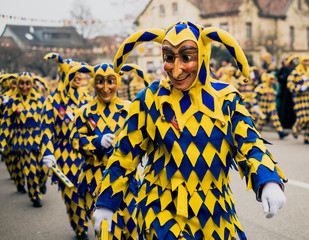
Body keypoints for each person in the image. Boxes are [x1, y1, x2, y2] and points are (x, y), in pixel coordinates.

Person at [93, 21, 286, 240]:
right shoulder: (150, 99)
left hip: (215, 213)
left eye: (186, 57)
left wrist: (268, 179)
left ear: (202, 56)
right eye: (168, 58)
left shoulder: (226, 99)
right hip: (161, 212)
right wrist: (106, 202)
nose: (176, 69)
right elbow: (125, 154)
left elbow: (249, 143)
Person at [70, 63, 144, 239]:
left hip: (128, 179)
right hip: (95, 181)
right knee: (107, 234)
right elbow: (75, 141)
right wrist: (97, 142)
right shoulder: (84, 112)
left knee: (134, 231)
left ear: (117, 81)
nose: (105, 88)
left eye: (110, 81)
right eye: (100, 82)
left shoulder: (129, 109)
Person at [40, 53, 91, 240]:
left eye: (80, 73)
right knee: (72, 195)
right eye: (73, 72)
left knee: (91, 192)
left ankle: (97, 224)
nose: (78, 76)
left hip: (88, 153)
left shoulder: (88, 98)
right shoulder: (52, 100)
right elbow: (46, 129)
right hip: (64, 155)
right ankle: (80, 229)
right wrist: (47, 152)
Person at [0, 72, 45, 207]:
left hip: (39, 140)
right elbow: (6, 123)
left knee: (44, 169)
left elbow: (47, 121)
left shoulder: (40, 100)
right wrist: (2, 142)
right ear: (17, 84)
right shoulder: (12, 101)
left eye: (27, 83)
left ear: (31, 84)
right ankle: (35, 196)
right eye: (21, 83)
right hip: (22, 142)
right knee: (31, 170)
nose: (24, 86)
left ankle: (41, 183)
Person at [287, 56, 309, 144]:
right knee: (303, 118)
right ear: (301, 61)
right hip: (300, 98)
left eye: (308, 61)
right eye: (304, 60)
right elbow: (289, 85)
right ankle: (296, 129)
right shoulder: (295, 72)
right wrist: (299, 88)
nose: (306, 62)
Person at [252, 73, 288, 139]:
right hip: (262, 108)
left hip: (271, 107)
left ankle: (281, 132)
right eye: (271, 79)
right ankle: (255, 134)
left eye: (273, 79)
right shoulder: (261, 87)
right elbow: (254, 96)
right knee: (260, 122)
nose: (272, 81)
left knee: (275, 119)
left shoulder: (272, 88)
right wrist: (255, 105)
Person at [276, 56, 296, 129]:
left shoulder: (293, 69)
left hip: (291, 92)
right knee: (283, 107)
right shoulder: (283, 69)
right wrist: (283, 78)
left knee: (291, 108)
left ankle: (291, 123)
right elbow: (278, 76)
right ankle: (283, 123)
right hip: (284, 91)